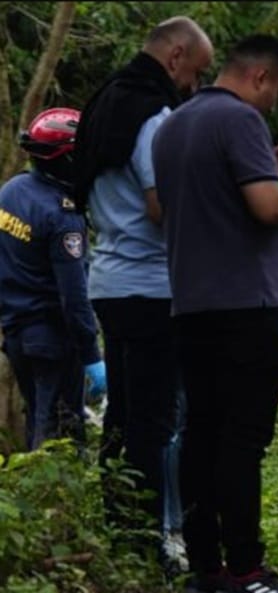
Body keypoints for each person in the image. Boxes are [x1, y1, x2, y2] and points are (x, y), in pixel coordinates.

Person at [151, 34, 278, 593]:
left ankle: (206, 567)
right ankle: (248, 567)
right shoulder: (242, 119)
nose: (273, 103)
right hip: (249, 307)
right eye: (276, 90)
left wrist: (262, 168)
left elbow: (185, 204)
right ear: (261, 78)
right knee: (242, 443)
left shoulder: (173, 124)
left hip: (191, 304)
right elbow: (266, 208)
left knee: (200, 435)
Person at [71, 15, 213, 569]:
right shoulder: (154, 117)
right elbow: (161, 206)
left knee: (122, 419)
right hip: (153, 286)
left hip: (108, 280)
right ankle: (148, 546)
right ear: (174, 58)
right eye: (195, 74)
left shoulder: (106, 102)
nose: (194, 89)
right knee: (154, 425)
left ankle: (119, 533)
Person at [0, 107, 106, 452]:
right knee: (59, 435)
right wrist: (92, 356)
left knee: (38, 420)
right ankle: (56, 506)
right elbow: (74, 297)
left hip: (16, 334)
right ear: (68, 158)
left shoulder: (12, 191)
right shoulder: (63, 217)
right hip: (52, 340)